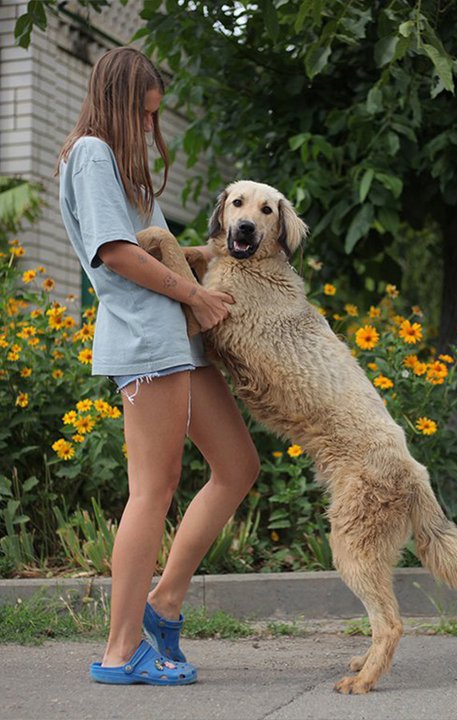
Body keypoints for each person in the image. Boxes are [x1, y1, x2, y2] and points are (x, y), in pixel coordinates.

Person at [56, 46, 260, 685]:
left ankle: (164, 602)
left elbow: (156, 246)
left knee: (237, 466)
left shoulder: (121, 166)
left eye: (155, 116)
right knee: (153, 488)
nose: (151, 127)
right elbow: (116, 252)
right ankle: (120, 651)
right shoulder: (91, 153)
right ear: (118, 105)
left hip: (177, 341)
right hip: (146, 341)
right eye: (144, 116)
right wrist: (196, 294)